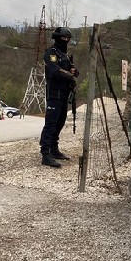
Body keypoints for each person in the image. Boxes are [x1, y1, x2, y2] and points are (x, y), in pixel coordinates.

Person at [39, 27, 79, 168]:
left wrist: (74, 71)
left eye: (68, 38)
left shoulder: (65, 54)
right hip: (54, 92)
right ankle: (45, 153)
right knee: (51, 123)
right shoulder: (51, 53)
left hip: (64, 93)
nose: (66, 40)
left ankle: (54, 149)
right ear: (57, 38)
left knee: (60, 122)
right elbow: (54, 71)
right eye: (64, 38)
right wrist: (70, 76)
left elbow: (69, 70)